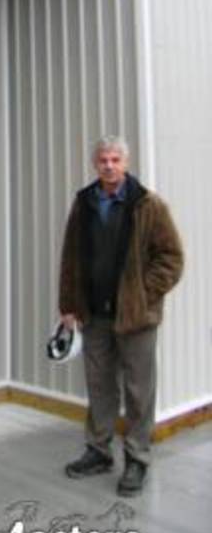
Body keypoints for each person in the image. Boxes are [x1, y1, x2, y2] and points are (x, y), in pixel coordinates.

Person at [58, 135, 184, 496]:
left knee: (138, 389)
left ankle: (137, 458)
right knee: (99, 386)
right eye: (103, 160)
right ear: (95, 164)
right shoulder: (84, 202)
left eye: (115, 159)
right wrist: (69, 305)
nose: (109, 166)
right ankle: (98, 451)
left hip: (136, 316)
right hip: (94, 315)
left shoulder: (148, 205)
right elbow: (70, 257)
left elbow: (171, 258)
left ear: (125, 163)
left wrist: (142, 292)